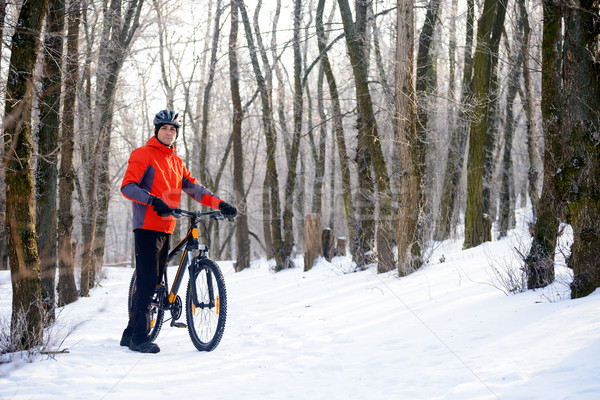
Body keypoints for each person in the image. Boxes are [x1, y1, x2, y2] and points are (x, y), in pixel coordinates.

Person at [119, 109, 237, 353]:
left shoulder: (176, 162)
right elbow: (127, 187)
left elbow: (194, 189)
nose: (169, 132)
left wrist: (220, 203)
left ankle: (129, 332)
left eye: (173, 129)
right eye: (164, 128)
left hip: (167, 225)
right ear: (156, 130)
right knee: (149, 279)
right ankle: (138, 338)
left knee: (157, 275)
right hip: (146, 225)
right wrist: (153, 201)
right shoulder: (143, 155)